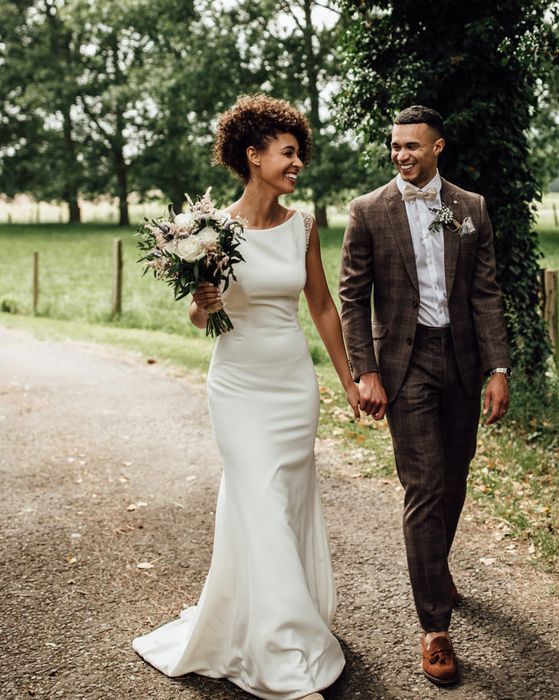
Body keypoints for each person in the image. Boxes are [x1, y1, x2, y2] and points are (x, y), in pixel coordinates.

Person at [132, 94, 358, 700]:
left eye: (298, 154)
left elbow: (321, 306)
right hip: (236, 386)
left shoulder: (304, 225)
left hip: (291, 386)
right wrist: (200, 305)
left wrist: (348, 379)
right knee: (255, 498)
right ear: (253, 156)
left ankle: (278, 621)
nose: (296, 165)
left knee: (280, 504)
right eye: (287, 154)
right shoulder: (209, 234)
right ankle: (284, 653)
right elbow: (200, 320)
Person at [339, 105, 510, 686]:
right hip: (404, 364)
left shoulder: (472, 209)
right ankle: (434, 626)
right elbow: (352, 297)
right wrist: (366, 371)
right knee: (425, 485)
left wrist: (498, 367)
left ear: (438, 147)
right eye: (395, 147)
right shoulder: (368, 212)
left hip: (462, 360)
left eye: (413, 146)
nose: (401, 155)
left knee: (456, 477)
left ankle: (433, 567)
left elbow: (486, 293)